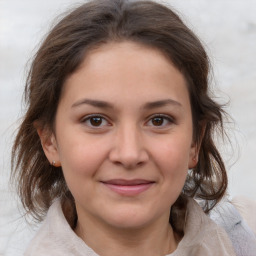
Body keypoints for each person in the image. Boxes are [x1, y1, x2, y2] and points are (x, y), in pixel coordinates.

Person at [11, 0, 237, 255]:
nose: (129, 154)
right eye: (95, 120)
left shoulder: (243, 238)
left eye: (158, 120)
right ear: (49, 141)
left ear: (195, 141)